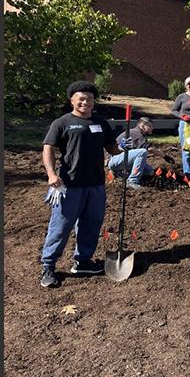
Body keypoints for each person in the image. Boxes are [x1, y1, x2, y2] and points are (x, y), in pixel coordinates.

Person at [40, 81, 124, 288]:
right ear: (72, 101)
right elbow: (48, 148)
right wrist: (51, 174)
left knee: (91, 223)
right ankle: (48, 266)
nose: (86, 102)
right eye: (82, 98)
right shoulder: (62, 123)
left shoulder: (101, 123)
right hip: (69, 185)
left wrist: (124, 146)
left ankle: (83, 261)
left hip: (96, 184)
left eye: (90, 99)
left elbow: (112, 149)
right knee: (61, 226)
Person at [107, 117, 175, 189]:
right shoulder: (137, 133)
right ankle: (132, 181)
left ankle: (120, 175)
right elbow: (150, 149)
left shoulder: (137, 133)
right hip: (115, 160)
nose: (152, 128)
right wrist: (164, 156)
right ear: (142, 126)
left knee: (149, 172)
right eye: (150, 126)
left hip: (122, 160)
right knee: (142, 152)